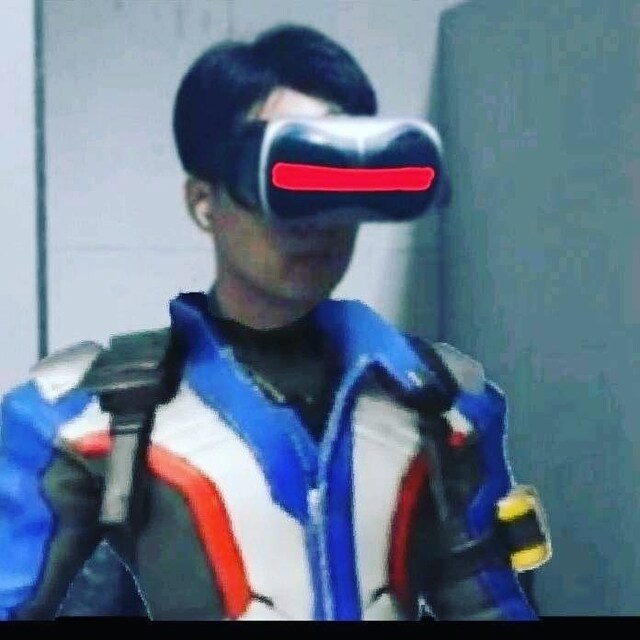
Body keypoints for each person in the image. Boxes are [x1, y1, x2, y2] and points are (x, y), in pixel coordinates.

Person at [0, 24, 548, 621]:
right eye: (291, 176)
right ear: (204, 200)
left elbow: (491, 607)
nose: (315, 220)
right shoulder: (87, 415)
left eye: (335, 175)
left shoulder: (439, 403)